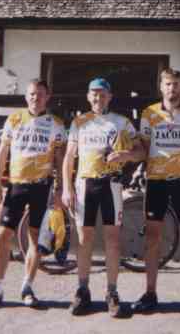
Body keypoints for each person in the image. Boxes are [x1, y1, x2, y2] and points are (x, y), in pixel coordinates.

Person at [0, 79, 66, 310]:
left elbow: (60, 160)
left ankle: (27, 287)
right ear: (27, 97)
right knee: (3, 235)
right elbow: (2, 153)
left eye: (40, 94)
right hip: (16, 185)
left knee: (34, 238)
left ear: (48, 97)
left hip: (41, 186)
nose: (36, 98)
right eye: (32, 94)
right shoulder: (14, 119)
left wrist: (60, 189)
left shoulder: (56, 124)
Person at [62, 78, 145, 318]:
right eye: (94, 94)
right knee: (84, 238)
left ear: (110, 96)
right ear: (88, 97)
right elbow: (69, 157)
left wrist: (125, 155)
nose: (98, 98)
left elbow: (140, 153)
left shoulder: (122, 122)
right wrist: (67, 188)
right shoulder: (80, 122)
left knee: (113, 240)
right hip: (85, 184)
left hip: (112, 185)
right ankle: (83, 290)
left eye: (103, 94)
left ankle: (112, 292)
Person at [132, 68, 180, 316]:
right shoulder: (149, 113)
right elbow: (143, 147)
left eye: (176, 84)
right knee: (152, 239)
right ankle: (150, 293)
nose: (172, 89)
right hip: (156, 182)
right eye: (167, 84)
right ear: (160, 87)